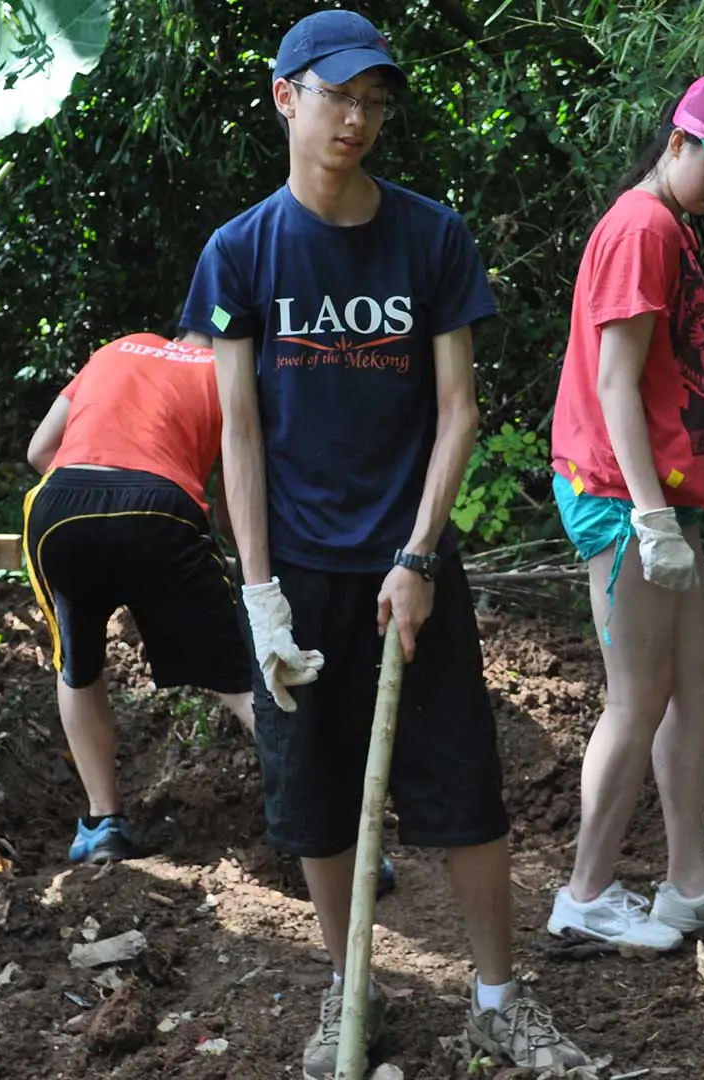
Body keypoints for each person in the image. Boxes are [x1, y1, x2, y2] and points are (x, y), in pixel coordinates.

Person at [180, 11, 587, 1076]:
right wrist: (259, 593)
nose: (356, 119)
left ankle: (497, 1002)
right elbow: (239, 433)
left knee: (462, 784)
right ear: (286, 97)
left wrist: (417, 557)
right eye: (337, 96)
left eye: (374, 101)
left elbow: (458, 412)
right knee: (315, 798)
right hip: (300, 574)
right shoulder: (240, 252)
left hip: (412, 565)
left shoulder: (429, 236)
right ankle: (346, 989)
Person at [545, 74, 704, 953]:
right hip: (617, 493)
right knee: (639, 695)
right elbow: (615, 383)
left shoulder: (675, 230)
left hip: (656, 492)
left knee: (695, 683)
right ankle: (584, 894)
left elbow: (675, 383)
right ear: (678, 142)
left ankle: (688, 886)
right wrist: (653, 518)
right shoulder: (640, 228)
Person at [22, 330, 260, 863]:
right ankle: (318, 824)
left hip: (61, 508)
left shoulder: (118, 348)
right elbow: (232, 510)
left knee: (78, 668)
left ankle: (103, 823)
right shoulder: (230, 371)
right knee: (243, 680)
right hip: (159, 509)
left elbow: (40, 451)